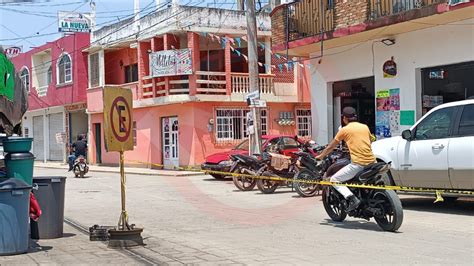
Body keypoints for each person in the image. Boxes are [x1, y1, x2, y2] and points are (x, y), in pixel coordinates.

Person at [316, 107, 376, 212]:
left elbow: (331, 146)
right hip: (372, 162)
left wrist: (321, 156)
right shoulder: (364, 127)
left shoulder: (344, 130)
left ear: (344, 118)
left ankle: (352, 198)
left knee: (334, 180)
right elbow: (370, 140)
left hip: (358, 164)